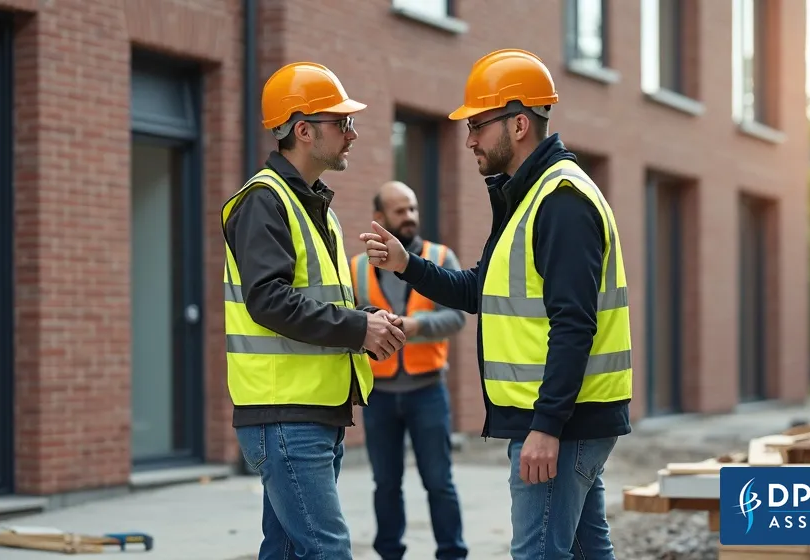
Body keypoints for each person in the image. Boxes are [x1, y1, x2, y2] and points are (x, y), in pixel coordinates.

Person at [358, 48, 632, 560]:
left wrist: (546, 427)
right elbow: (478, 289)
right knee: (587, 551)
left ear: (520, 123)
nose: (469, 140)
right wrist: (407, 264)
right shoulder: (528, 197)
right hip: (565, 422)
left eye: (479, 125)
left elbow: (574, 324)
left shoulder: (560, 201)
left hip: (558, 425)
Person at [221, 61, 407, 560]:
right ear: (303, 130)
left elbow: (314, 299)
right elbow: (268, 300)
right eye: (340, 123)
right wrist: (356, 328)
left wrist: (368, 317)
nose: (353, 133)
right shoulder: (266, 201)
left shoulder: (309, 204)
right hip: (286, 415)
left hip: (310, 413)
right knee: (327, 550)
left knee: (285, 550)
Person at [349, 181, 469, 560]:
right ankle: (389, 553)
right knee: (385, 483)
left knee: (439, 482)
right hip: (380, 394)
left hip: (427, 390)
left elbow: (458, 318)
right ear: (380, 217)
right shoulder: (355, 268)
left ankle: (452, 553)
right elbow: (349, 320)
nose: (410, 217)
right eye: (400, 211)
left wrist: (418, 327)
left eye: (413, 209)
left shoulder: (439, 257)